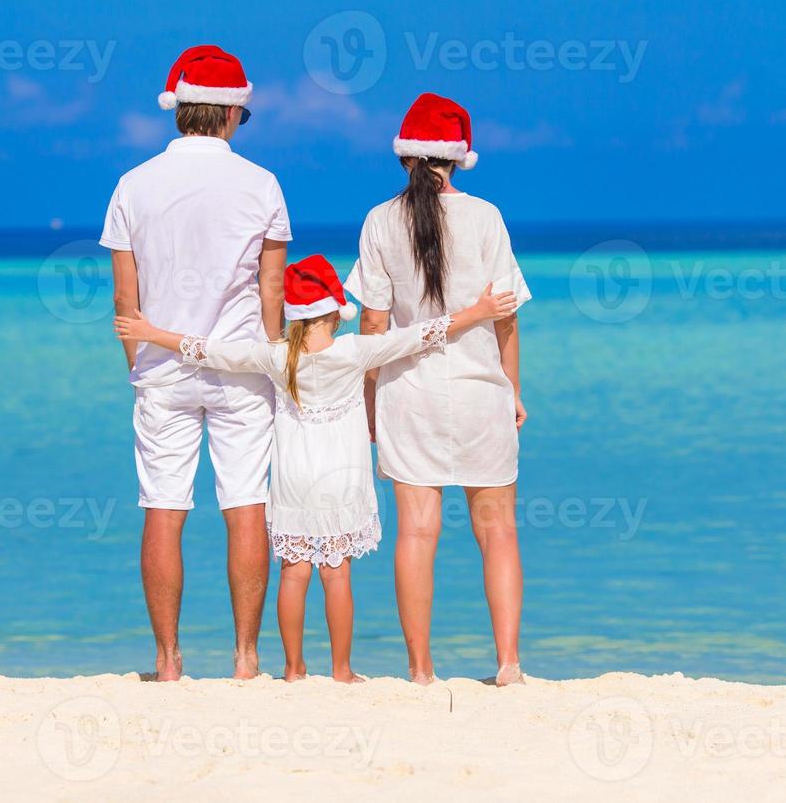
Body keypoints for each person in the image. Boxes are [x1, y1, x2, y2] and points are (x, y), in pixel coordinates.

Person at [114, 255, 519, 683]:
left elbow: (209, 351)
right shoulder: (355, 351)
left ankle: (292, 668)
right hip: (340, 475)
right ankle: (341, 670)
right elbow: (422, 335)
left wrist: (149, 333)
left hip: (292, 475)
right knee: (337, 571)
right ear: (333, 311)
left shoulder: (275, 357)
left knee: (294, 570)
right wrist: (478, 313)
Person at [99, 44, 290, 682]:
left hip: (160, 369)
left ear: (178, 110)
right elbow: (271, 291)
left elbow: (126, 298)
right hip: (241, 366)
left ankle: (168, 660)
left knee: (163, 507)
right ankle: (245, 658)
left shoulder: (133, 184)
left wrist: (140, 362)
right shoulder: (261, 184)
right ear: (233, 115)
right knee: (245, 504)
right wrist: (278, 362)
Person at [345, 93, 532, 686]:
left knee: (418, 532)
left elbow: (372, 326)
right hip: (481, 391)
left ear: (405, 158)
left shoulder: (379, 221)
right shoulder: (486, 218)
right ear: (457, 158)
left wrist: (368, 402)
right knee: (497, 529)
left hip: (408, 393)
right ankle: (507, 666)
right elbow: (505, 316)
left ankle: (420, 670)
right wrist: (515, 389)